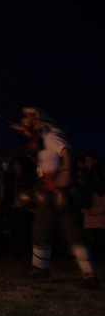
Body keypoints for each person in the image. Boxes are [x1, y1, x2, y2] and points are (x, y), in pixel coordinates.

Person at [12, 107, 100, 289]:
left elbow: (66, 151)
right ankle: (40, 269)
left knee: (72, 231)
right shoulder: (45, 136)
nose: (27, 122)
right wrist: (28, 131)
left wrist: (66, 172)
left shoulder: (52, 136)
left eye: (31, 120)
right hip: (48, 191)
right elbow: (36, 141)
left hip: (59, 191)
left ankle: (90, 275)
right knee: (41, 230)